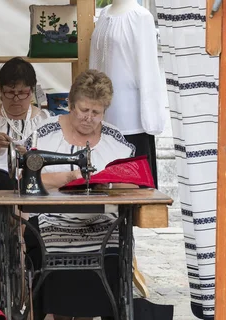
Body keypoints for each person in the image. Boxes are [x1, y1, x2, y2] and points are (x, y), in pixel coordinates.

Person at [24, 70, 135, 320]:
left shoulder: (116, 141)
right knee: (53, 241)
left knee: (109, 243)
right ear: (71, 105)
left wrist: (112, 183)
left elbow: (133, 184)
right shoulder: (44, 134)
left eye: (96, 113)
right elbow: (24, 178)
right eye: (84, 110)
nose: (89, 118)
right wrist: (68, 178)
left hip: (101, 219)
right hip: (51, 217)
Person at [89, 0, 166, 188]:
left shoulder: (141, 17)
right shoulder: (105, 15)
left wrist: (152, 117)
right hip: (104, 115)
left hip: (131, 118)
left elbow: (148, 69)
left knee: (133, 183)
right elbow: (95, 65)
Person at [0, 57, 49, 236]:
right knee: (3, 182)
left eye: (23, 93)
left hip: (33, 188)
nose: (16, 99)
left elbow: (53, 160)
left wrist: (30, 157)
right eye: (9, 92)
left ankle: (18, 239)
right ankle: (19, 239)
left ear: (33, 90)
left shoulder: (45, 120)